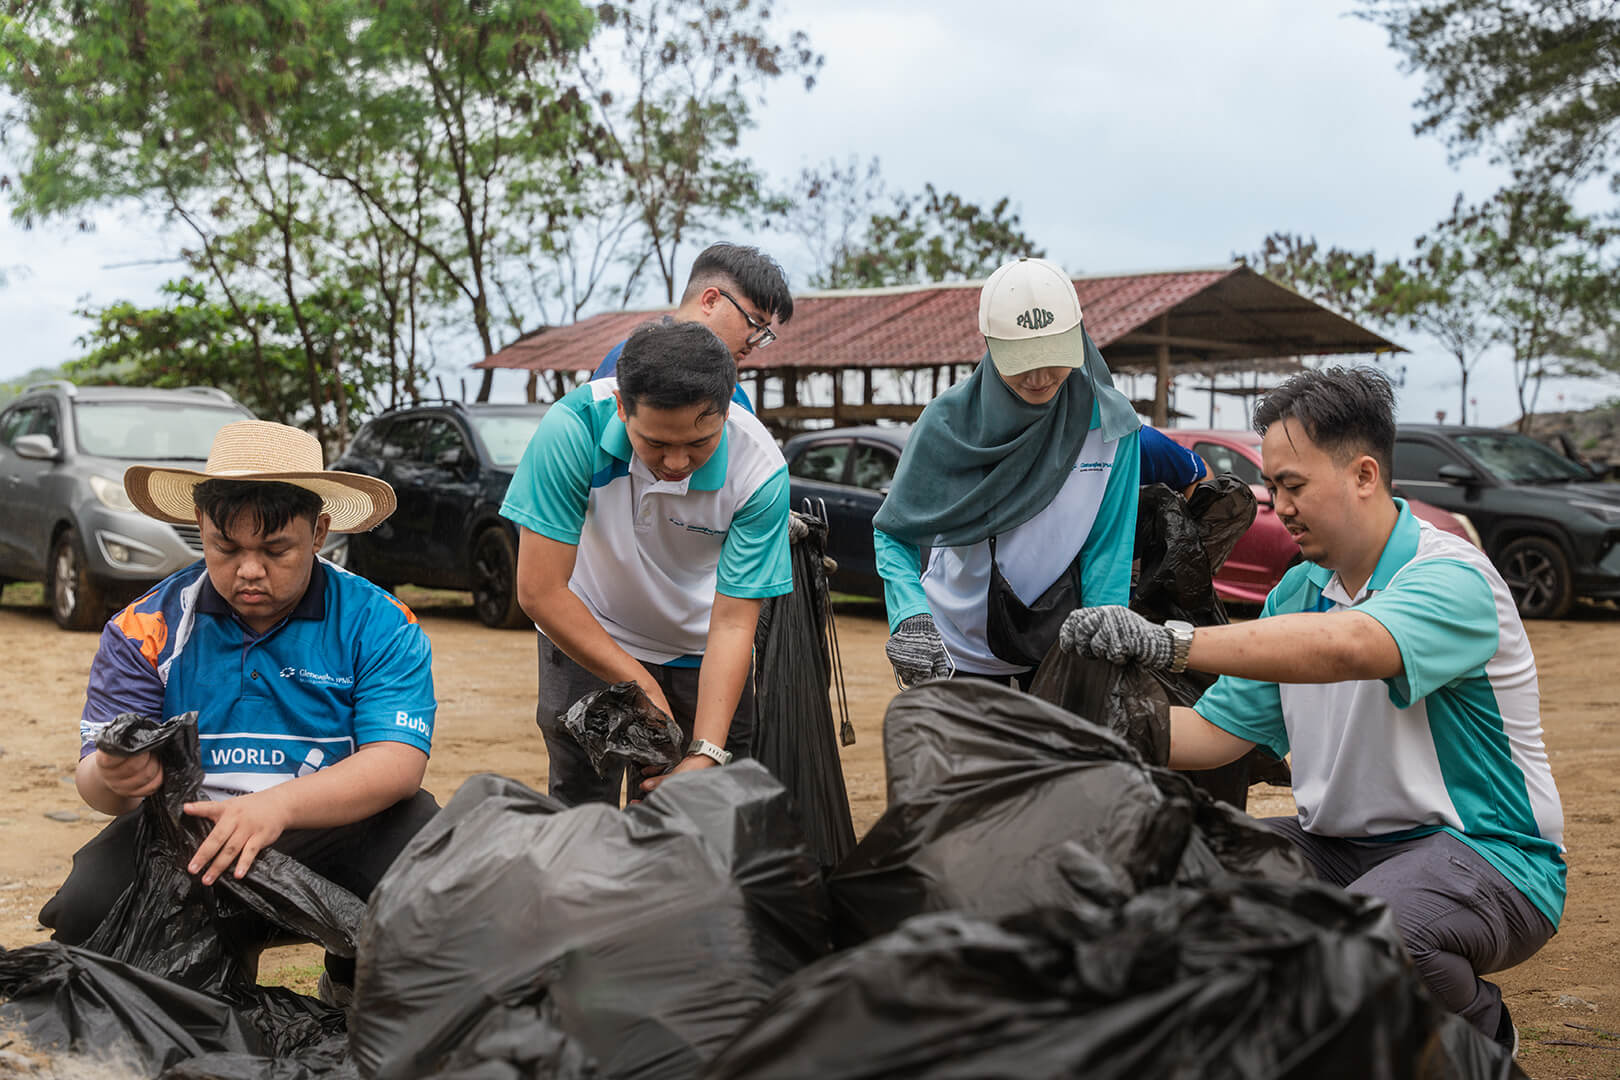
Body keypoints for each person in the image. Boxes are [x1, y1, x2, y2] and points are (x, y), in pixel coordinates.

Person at [1058, 366, 1562, 1054]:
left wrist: (1170, 643)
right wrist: (1084, 722)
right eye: (1272, 487)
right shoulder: (1296, 593)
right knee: (1177, 881)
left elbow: (1351, 647)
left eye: (1292, 486)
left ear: (1363, 475)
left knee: (1380, 933)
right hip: (1339, 851)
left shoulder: (1452, 576)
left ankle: (1477, 1044)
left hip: (1489, 854)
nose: (1278, 505)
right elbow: (1211, 734)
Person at [40, 420, 439, 1001]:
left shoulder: (376, 621)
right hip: (189, 840)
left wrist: (276, 807)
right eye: (225, 548)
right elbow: (98, 787)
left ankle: (355, 980)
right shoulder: (145, 628)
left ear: (319, 532)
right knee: (87, 909)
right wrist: (113, 775)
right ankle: (198, 993)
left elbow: (398, 762)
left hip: (327, 829)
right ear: (201, 527)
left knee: (434, 869)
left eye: (276, 550)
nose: (249, 570)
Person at [504, 320, 792, 806]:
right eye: (656, 443)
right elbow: (540, 591)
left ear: (725, 414)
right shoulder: (572, 428)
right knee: (581, 806)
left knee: (707, 807)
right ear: (621, 407)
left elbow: (733, 623)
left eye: (699, 444)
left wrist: (705, 752)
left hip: (702, 645)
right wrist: (638, 682)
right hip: (589, 629)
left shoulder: (759, 470)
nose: (677, 463)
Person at [872, 255, 1144, 691]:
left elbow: (1107, 549)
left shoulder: (1110, 427)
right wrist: (910, 616)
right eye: (1021, 359)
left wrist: (1103, 645)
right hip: (952, 648)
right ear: (989, 344)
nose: (1039, 376)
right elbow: (894, 532)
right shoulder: (946, 426)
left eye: (1054, 356)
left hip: (1058, 642)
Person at [590, 242, 794, 415]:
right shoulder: (629, 365)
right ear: (711, 301)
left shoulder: (736, 397)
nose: (755, 343)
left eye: (763, 331)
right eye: (754, 322)